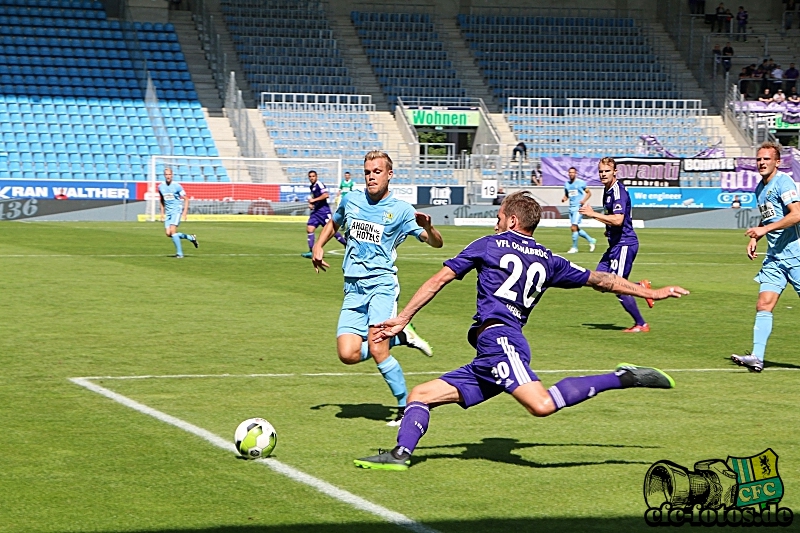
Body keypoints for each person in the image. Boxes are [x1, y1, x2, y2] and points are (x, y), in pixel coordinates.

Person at [352, 192, 689, 470]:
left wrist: (403, 318)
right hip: (491, 351)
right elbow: (602, 280)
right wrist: (649, 292)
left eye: (499, 216)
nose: (496, 222)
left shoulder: (489, 244)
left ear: (512, 220)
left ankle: (622, 377)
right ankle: (400, 455)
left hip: (502, 340)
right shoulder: (548, 258)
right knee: (421, 395)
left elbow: (440, 279)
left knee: (540, 405)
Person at [311, 151, 444, 424]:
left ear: (389, 174)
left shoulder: (402, 210)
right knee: (347, 354)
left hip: (381, 285)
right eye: (368, 172)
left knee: (378, 349)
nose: (371, 177)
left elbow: (436, 244)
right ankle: (402, 336)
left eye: (377, 172)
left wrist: (429, 228)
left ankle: (407, 407)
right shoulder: (352, 200)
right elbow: (334, 222)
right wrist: (318, 245)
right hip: (353, 287)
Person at [732, 142, 800, 372]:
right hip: (775, 258)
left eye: (766, 159)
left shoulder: (784, 182)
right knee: (764, 304)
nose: (761, 163)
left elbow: (796, 215)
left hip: (796, 256)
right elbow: (769, 216)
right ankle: (757, 357)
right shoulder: (760, 188)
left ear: (777, 162)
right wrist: (757, 236)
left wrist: (764, 231)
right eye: (758, 159)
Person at [579, 157, 653, 333]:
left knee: (618, 286)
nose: (603, 174)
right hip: (615, 244)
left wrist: (593, 214)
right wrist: (608, 230)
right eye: (601, 171)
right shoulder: (608, 190)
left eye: (607, 171)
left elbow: (619, 219)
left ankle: (641, 324)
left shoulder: (617, 191)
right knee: (598, 281)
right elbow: (615, 218)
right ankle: (638, 286)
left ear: (615, 172)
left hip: (624, 244)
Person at [301, 170, 346, 259]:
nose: (311, 178)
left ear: (316, 176)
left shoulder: (319, 184)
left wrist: (314, 201)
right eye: (310, 176)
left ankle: (346, 243)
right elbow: (314, 197)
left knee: (331, 230)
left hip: (324, 212)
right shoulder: (312, 187)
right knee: (310, 229)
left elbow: (325, 195)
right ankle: (311, 252)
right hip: (316, 212)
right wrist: (311, 204)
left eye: (313, 176)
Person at [158, 167, 198, 258]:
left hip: (176, 211)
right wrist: (162, 214)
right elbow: (161, 199)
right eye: (166, 174)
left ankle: (180, 254)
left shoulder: (177, 186)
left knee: (173, 231)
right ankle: (191, 238)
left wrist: (184, 213)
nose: (168, 176)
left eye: (169, 174)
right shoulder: (160, 187)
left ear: (172, 175)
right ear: (164, 175)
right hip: (168, 212)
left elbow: (186, 199)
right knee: (168, 233)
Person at [561, 166, 597, 254]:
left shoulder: (581, 183)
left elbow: (589, 193)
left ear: (576, 174)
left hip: (578, 208)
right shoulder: (567, 184)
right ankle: (591, 240)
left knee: (574, 227)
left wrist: (583, 201)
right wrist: (564, 198)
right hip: (571, 208)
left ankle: (574, 248)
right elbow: (567, 194)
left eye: (573, 172)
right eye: (570, 172)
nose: (571, 174)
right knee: (575, 228)